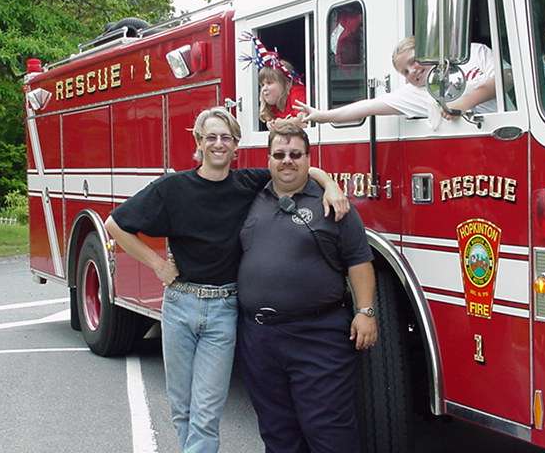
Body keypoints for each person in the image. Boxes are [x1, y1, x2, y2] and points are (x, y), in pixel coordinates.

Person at [104, 107, 348, 453]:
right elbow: (115, 225)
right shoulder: (172, 188)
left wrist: (330, 185)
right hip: (179, 306)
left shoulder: (247, 184)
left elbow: (295, 166)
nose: (218, 144)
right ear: (198, 142)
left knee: (205, 411)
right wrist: (158, 265)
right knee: (183, 409)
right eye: (211, 137)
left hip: (223, 308)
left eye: (226, 138)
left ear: (236, 146)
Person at [237, 121, 377, 453]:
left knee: (329, 432)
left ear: (309, 159)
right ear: (268, 159)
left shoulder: (334, 204)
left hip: (319, 336)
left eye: (295, 155)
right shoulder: (248, 197)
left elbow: (359, 260)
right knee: (277, 433)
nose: (287, 161)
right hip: (259, 339)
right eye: (280, 154)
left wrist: (366, 312)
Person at [294, 35, 497, 124]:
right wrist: (322, 116)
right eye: (405, 72)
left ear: (429, 51)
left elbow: (507, 79)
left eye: (414, 61)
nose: (413, 72)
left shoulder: (472, 52)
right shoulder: (415, 93)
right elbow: (366, 106)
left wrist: (462, 104)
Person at [259, 59, 307, 128]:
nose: (264, 89)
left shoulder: (297, 91)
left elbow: (303, 121)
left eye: (269, 83)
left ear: (287, 83)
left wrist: (279, 124)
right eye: (262, 85)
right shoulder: (273, 106)